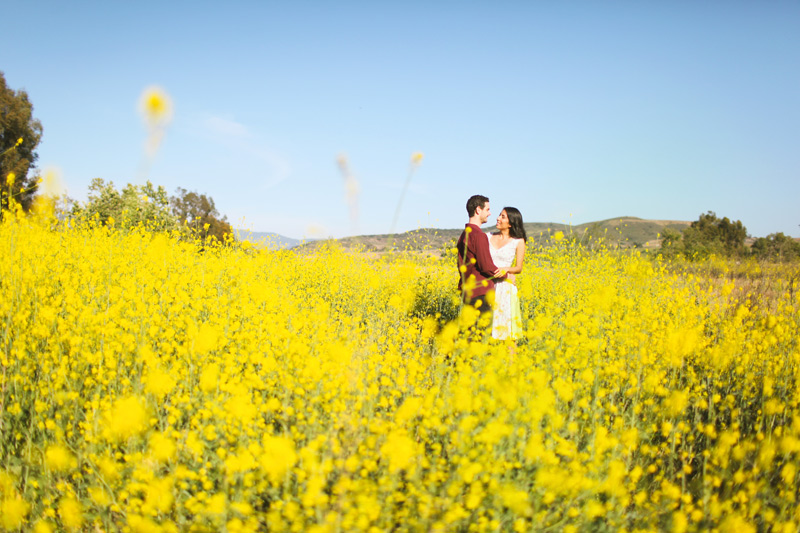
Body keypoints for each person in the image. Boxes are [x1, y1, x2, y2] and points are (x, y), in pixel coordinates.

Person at [456, 195, 506, 317]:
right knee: (480, 333)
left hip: (468, 291)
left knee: (471, 333)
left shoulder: (464, 235)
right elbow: (486, 266)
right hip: (480, 293)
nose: (489, 213)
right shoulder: (479, 235)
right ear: (478, 210)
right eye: (487, 209)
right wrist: (506, 275)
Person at [486, 207, 527, 340]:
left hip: (505, 287)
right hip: (488, 285)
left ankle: (511, 361)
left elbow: (518, 268)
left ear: (511, 223)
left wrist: (506, 270)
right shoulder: (488, 236)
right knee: (487, 329)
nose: (498, 218)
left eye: (503, 216)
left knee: (508, 332)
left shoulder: (518, 241)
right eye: (499, 215)